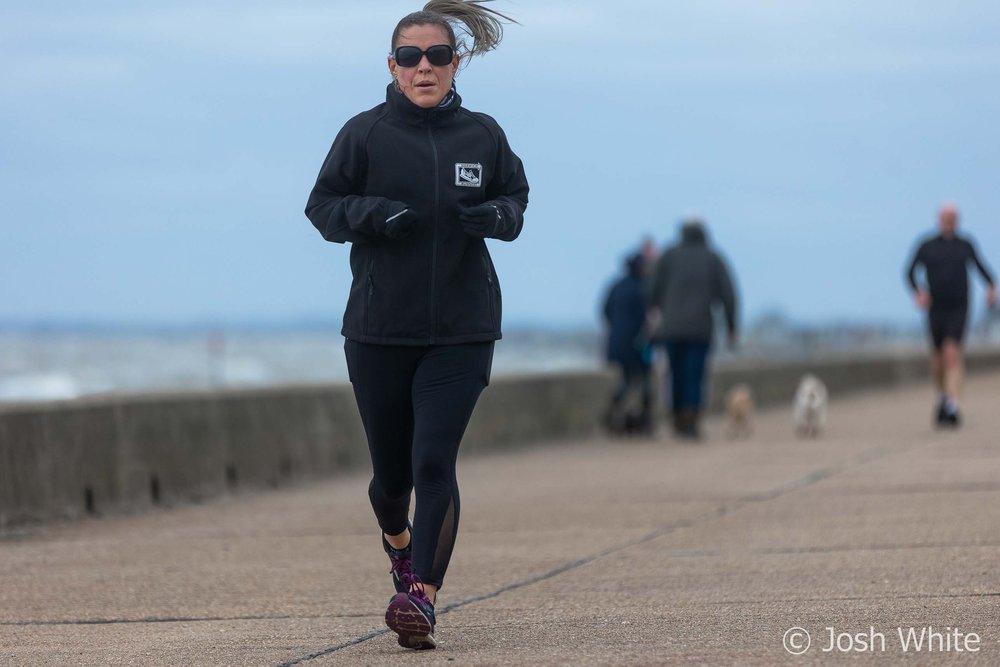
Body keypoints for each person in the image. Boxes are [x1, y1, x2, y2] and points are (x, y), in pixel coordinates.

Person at [304, 0, 527, 650]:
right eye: (410, 57)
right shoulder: (365, 134)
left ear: (457, 64)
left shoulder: (483, 135)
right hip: (378, 331)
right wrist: (374, 214)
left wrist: (498, 218)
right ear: (393, 66)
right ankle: (398, 544)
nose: (423, 67)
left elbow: (516, 198)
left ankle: (421, 597)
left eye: (436, 56)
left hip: (463, 328)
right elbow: (322, 206)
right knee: (389, 481)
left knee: (435, 460)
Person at [905, 203, 996, 427]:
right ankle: (943, 398)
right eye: (946, 216)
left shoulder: (965, 244)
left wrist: (992, 287)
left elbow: (981, 267)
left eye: (954, 216)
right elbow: (909, 271)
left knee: (952, 352)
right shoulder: (926, 245)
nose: (950, 220)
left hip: (959, 307)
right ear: (939, 219)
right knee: (937, 360)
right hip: (936, 309)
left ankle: (953, 406)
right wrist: (919, 293)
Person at [646, 217, 737, 439]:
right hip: (700, 328)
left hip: (672, 328)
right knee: (695, 374)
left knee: (675, 373)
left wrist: (653, 309)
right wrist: (731, 327)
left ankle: (677, 417)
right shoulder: (712, 257)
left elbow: (652, 287)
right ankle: (691, 419)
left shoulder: (669, 255)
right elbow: (728, 294)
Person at [601, 253, 653, 435]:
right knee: (643, 382)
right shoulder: (642, 287)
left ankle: (615, 415)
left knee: (625, 381)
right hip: (637, 344)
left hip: (617, 342)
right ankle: (642, 421)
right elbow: (647, 319)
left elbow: (605, 310)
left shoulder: (616, 286)